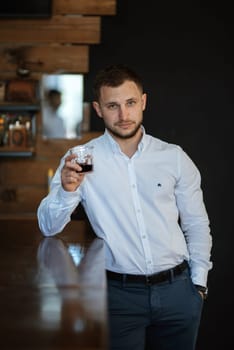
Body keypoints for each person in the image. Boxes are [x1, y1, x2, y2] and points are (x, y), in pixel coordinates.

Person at [37, 64, 213, 350]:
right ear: (98, 108)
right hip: (116, 297)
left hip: (179, 293)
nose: (123, 115)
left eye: (130, 103)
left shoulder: (173, 157)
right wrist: (68, 192)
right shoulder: (84, 158)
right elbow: (47, 226)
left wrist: (198, 285)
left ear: (143, 101)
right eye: (112, 105)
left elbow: (196, 224)